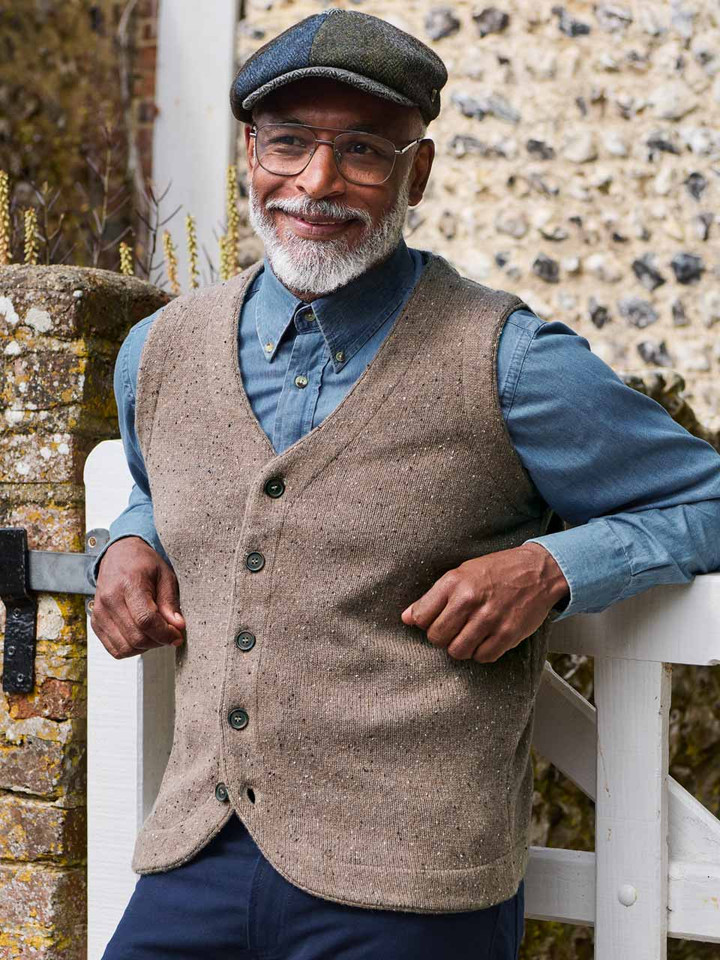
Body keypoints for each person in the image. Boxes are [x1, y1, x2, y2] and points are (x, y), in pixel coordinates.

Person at [92, 8, 720, 959]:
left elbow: (705, 497)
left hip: (413, 887)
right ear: (250, 153)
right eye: (289, 142)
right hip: (196, 860)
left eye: (363, 151)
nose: (317, 182)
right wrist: (129, 538)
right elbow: (157, 480)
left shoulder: (512, 361)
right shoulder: (158, 352)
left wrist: (555, 567)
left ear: (416, 173)